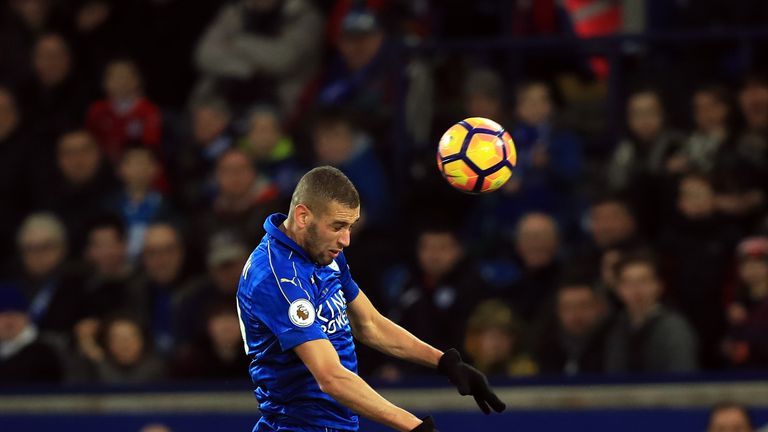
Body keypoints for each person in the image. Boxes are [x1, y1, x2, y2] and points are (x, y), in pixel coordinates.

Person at [236, 166, 505, 432]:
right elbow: (331, 378)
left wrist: (445, 362)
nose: (346, 240)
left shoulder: (322, 249)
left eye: (350, 226)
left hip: (334, 425)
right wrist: (414, 427)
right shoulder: (276, 279)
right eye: (338, 226)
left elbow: (369, 324)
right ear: (303, 216)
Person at [604, 252, 699, 373]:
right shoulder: (615, 327)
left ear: (659, 285)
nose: (636, 289)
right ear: (618, 289)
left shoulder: (674, 328)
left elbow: (683, 378)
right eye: (628, 282)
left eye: (643, 281)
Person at [86, 58, 162, 165]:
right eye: (114, 77)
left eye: (125, 76)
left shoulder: (148, 110)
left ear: (137, 80)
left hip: (137, 166)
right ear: (104, 82)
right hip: (105, 165)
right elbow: (91, 142)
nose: (121, 81)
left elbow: (150, 146)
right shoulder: (97, 110)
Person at [536, 280, 610, 375]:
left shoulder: (614, 342)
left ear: (598, 307)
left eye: (584, 305)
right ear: (558, 311)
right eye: (568, 307)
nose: (576, 314)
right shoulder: (545, 347)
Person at [0, 283, 63, 384]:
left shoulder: (43, 352)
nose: (9, 320)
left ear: (27, 317)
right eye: (3, 314)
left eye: (15, 313)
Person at [464, 299, 538, 377]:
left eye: (504, 335)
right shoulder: (462, 374)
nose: (496, 343)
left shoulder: (525, 374)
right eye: (491, 336)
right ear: (474, 338)